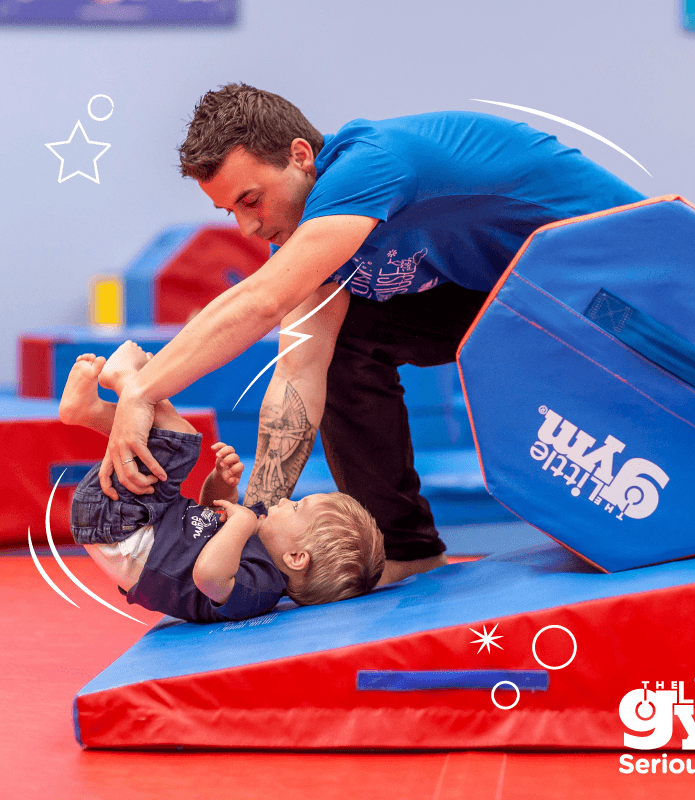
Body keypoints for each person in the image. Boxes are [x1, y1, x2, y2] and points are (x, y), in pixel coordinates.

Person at [99, 84, 646, 585]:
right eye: (230, 212)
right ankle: (407, 549)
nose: (248, 227)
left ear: (301, 156)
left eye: (251, 200)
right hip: (524, 293)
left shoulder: (371, 163)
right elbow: (297, 371)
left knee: (336, 323)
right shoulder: (314, 234)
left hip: (623, 281)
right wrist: (257, 527)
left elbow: (262, 301)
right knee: (341, 342)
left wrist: (141, 390)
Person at [60, 341, 384, 623]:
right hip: (140, 520)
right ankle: (89, 411)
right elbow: (207, 514)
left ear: (296, 557)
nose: (287, 500)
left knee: (180, 439)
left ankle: (127, 379)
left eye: (297, 507)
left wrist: (241, 521)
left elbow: (208, 576)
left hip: (124, 529)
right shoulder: (260, 537)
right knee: (169, 441)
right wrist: (221, 484)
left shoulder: (262, 587)